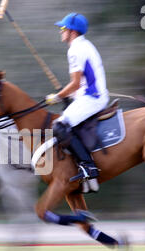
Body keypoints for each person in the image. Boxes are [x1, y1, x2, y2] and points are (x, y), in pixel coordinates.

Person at [45, 12, 109, 188]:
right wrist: (71, 95)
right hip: (91, 94)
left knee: (59, 126)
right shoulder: (86, 45)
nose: (61, 31)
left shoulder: (75, 50)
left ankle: (88, 166)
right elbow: (82, 82)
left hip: (93, 98)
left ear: (72, 32)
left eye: (63, 28)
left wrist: (57, 97)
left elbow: (74, 83)